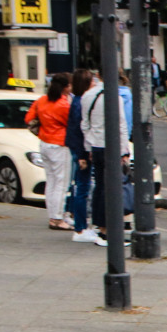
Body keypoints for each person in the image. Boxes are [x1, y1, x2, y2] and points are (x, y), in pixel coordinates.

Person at [82, 71, 129, 238]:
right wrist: (124, 150)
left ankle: (98, 223)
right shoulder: (114, 97)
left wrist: (88, 147)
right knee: (112, 188)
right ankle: (108, 228)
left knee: (100, 186)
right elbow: (121, 125)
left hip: (95, 145)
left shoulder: (88, 95)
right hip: (112, 146)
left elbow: (85, 124)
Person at [25, 72, 74, 230]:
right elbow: (72, 124)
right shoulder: (63, 105)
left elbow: (28, 119)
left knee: (51, 181)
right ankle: (58, 218)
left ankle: (53, 215)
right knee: (61, 183)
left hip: (44, 142)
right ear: (66, 87)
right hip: (60, 144)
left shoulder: (41, 100)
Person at [65, 69, 103, 245]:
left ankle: (81, 225)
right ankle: (80, 227)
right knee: (82, 188)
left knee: (82, 187)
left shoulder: (77, 101)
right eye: (92, 81)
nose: (94, 84)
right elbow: (78, 131)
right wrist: (82, 154)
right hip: (82, 150)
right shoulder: (81, 103)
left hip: (79, 149)